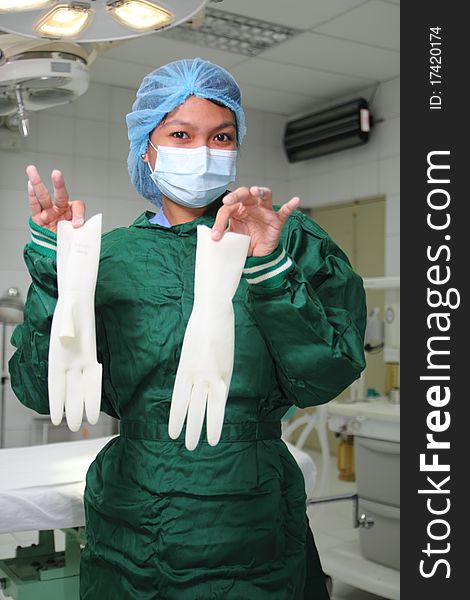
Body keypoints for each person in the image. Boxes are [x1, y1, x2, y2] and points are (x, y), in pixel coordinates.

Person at [9, 58, 366, 599]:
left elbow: (322, 378)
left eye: (220, 136)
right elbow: (40, 391)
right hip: (134, 510)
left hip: (253, 513)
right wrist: (58, 273)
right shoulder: (109, 257)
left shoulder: (286, 240)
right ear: (146, 149)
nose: (203, 151)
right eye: (181, 134)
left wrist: (268, 268)